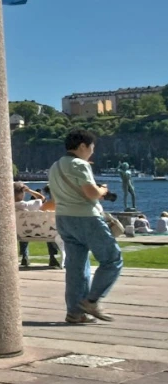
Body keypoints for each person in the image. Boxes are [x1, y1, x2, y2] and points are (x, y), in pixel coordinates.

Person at [48, 129, 123, 324]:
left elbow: (55, 198)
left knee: (76, 267)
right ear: (82, 146)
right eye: (91, 147)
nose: (92, 152)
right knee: (112, 259)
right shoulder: (80, 165)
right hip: (86, 218)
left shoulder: (55, 167)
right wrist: (103, 190)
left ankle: (75, 313)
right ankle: (91, 301)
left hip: (64, 219)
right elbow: (91, 193)